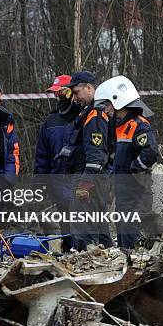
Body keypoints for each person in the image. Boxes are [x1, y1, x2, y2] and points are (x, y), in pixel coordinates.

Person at [94, 76, 158, 248]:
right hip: (123, 188)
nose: (105, 110)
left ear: (117, 101)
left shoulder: (138, 125)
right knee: (122, 222)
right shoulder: (118, 126)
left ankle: (135, 260)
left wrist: (133, 169)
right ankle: (125, 258)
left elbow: (150, 153)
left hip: (136, 188)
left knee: (131, 224)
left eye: (106, 104)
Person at [57, 71, 114, 251]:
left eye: (77, 92)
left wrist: (85, 183)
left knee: (84, 228)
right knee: (98, 225)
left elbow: (96, 154)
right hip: (90, 176)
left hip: (89, 177)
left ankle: (89, 261)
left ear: (89, 88)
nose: (75, 97)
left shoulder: (95, 114)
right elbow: (65, 115)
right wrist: (64, 98)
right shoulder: (86, 111)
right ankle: (107, 258)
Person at [34, 75, 81, 251]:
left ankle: (85, 250)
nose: (57, 96)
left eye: (59, 92)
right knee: (65, 223)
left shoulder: (83, 115)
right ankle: (68, 251)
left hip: (79, 177)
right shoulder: (50, 121)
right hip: (57, 180)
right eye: (55, 93)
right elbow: (42, 154)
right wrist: (39, 181)